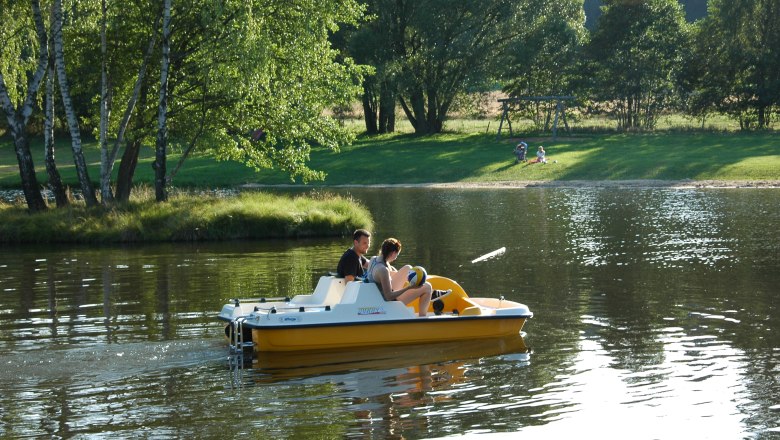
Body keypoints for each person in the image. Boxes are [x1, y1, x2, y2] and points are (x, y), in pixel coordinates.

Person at [364, 238, 451, 317]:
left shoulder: (374, 259)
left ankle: (431, 292)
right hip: (389, 302)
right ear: (393, 253)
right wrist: (409, 288)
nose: (395, 258)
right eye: (396, 255)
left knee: (408, 268)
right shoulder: (383, 270)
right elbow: (388, 296)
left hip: (378, 293)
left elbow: (386, 272)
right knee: (427, 287)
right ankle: (423, 317)